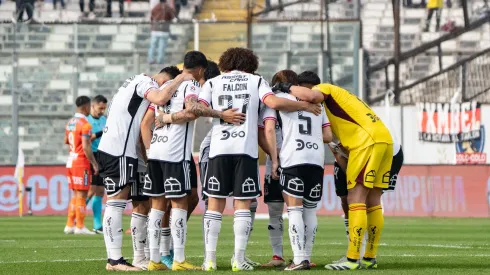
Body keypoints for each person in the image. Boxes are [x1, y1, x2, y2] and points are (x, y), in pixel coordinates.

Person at [187, 47, 322, 271]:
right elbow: (274, 104)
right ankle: (238, 260)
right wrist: (304, 105)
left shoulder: (213, 82)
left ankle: (209, 260)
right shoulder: (256, 81)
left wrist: (221, 115)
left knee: (214, 205)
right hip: (245, 151)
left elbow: (196, 109)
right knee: (242, 205)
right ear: (251, 63)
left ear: (225, 62)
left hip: (219, 149)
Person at [96, 67, 206, 271]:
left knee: (141, 205)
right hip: (118, 149)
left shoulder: (134, 84)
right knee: (116, 202)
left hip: (133, 153)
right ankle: (114, 259)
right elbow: (161, 97)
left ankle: (139, 257)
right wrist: (181, 78)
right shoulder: (144, 82)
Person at [277, 78, 393, 270]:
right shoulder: (344, 101)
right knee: (373, 201)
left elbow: (312, 95)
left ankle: (352, 259)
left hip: (366, 142)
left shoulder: (325, 89)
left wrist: (286, 87)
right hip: (384, 140)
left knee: (355, 198)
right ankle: (369, 257)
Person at [142, 52, 209, 271]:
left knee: (157, 206)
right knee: (179, 204)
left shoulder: (167, 85)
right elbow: (191, 112)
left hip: (156, 151)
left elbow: (150, 118)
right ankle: (179, 259)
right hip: (174, 153)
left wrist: (164, 118)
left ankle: (154, 260)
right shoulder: (191, 86)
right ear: (200, 70)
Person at [63, 96, 98, 235]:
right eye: (89, 107)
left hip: (70, 160)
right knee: (82, 194)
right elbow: (86, 146)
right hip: (81, 163)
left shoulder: (70, 122)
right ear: (85, 107)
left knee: (76, 194)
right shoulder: (85, 124)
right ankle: (80, 226)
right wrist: (94, 163)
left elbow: (66, 141)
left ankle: (70, 224)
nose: (90, 109)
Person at [85, 95, 108, 234]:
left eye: (104, 108)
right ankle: (77, 219)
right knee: (91, 190)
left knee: (100, 191)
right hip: (91, 156)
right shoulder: (86, 121)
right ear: (92, 106)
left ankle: (97, 225)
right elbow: (91, 137)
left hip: (102, 156)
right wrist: (103, 131)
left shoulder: (104, 119)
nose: (102, 111)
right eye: (100, 108)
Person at [148, 0, 175, 65]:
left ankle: (150, 59)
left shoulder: (155, 7)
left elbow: (151, 17)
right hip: (164, 30)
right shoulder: (168, 8)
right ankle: (160, 61)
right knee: (162, 47)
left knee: (152, 46)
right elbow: (172, 17)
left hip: (155, 29)